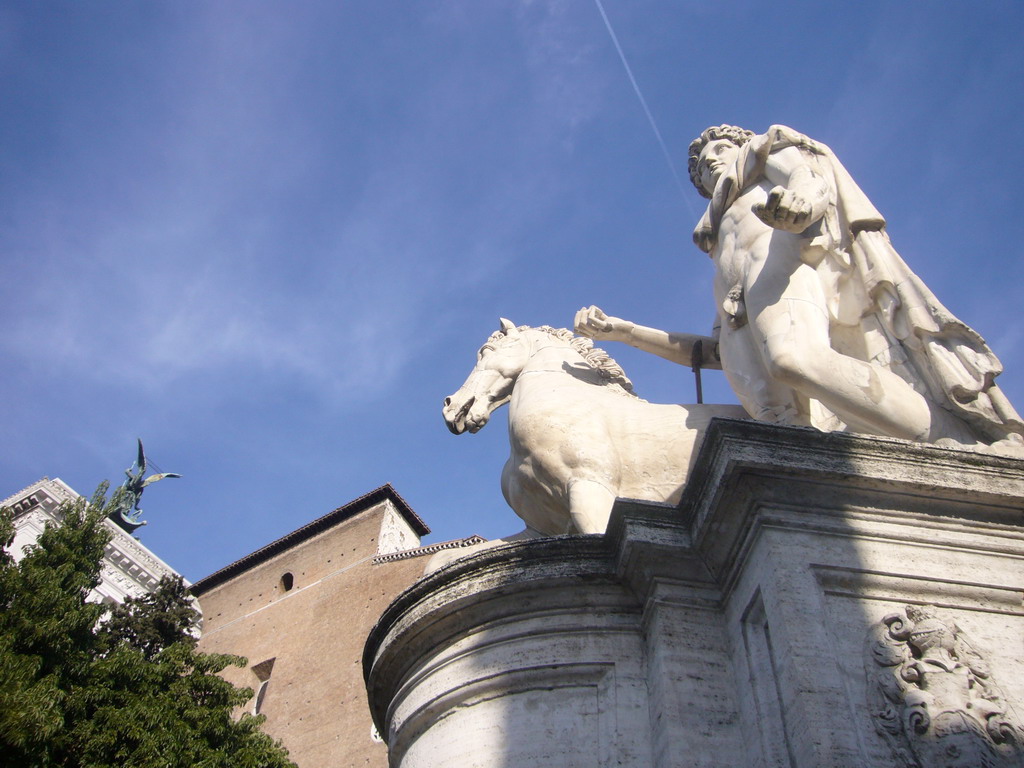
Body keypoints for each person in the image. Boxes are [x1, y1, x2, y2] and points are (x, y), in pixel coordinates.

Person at [576, 124, 1022, 446]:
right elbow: (708, 354)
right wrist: (622, 331)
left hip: (784, 261)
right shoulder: (719, 254)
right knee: (775, 414)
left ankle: (949, 438)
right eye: (700, 170)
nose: (709, 163)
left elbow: (808, 179)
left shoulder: (764, 155)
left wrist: (800, 206)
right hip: (753, 311)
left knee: (792, 359)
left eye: (719, 150)